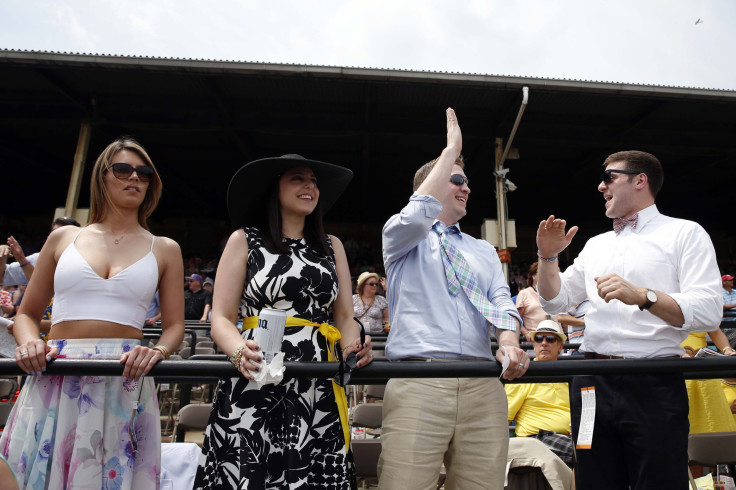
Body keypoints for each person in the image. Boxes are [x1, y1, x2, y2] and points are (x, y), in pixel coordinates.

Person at [0, 137, 185, 489]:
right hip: (56, 368)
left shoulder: (165, 248)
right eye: (123, 169)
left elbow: (174, 325)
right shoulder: (63, 238)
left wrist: (159, 351)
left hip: (124, 376)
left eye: (144, 173)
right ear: (102, 176)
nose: (135, 178)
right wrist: (29, 344)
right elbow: (26, 314)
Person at [536, 150, 722, 489]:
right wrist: (548, 257)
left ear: (640, 181)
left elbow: (709, 310)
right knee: (594, 480)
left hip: (652, 379)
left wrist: (645, 296)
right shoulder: (596, 245)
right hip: (591, 379)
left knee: (660, 480)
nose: (600, 186)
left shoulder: (685, 233)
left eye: (609, 177)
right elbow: (555, 300)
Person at [195, 154, 372, 489]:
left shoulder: (332, 246)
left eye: (314, 181)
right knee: (249, 472)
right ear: (273, 188)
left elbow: (346, 317)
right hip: (255, 371)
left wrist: (354, 344)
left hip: (317, 379)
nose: (310, 186)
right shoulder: (244, 239)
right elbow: (220, 316)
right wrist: (237, 351)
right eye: (298, 178)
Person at [378, 108, 527, 490]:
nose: (467, 187)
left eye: (467, 181)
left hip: (482, 381)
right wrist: (450, 152)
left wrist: (509, 341)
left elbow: (501, 302)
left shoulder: (483, 249)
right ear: (433, 181)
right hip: (420, 378)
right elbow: (416, 217)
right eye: (457, 179)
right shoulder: (400, 236)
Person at [506, 320, 573, 467]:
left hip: (568, 437)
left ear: (560, 346)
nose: (544, 343)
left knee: (602, 447)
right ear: (534, 344)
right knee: (583, 453)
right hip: (537, 439)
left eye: (550, 339)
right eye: (539, 338)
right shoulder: (524, 375)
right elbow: (504, 417)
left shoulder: (569, 374)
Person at [681, 329, 736, 433]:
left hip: (702, 367)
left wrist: (728, 350)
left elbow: (714, 330)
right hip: (669, 362)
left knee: (713, 419)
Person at [0, 217, 81, 287]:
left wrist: (22, 259)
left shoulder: (82, 261)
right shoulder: (39, 258)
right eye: (53, 233)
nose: (55, 236)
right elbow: (2, 277)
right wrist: (2, 255)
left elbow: (46, 288)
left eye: (62, 234)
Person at [515, 261, 547, 341]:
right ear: (533, 275)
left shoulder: (553, 292)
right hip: (535, 339)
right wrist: (525, 333)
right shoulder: (524, 293)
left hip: (553, 337)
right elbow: (516, 319)